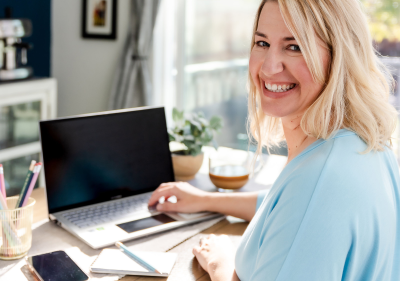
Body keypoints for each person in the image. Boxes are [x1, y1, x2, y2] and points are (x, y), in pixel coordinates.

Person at [148, 0, 400, 280]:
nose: (268, 67)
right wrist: (206, 199)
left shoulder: (318, 180)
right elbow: (284, 206)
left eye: (294, 47)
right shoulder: (363, 145)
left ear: (340, 56)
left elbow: (306, 203)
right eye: (262, 43)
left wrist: (221, 264)